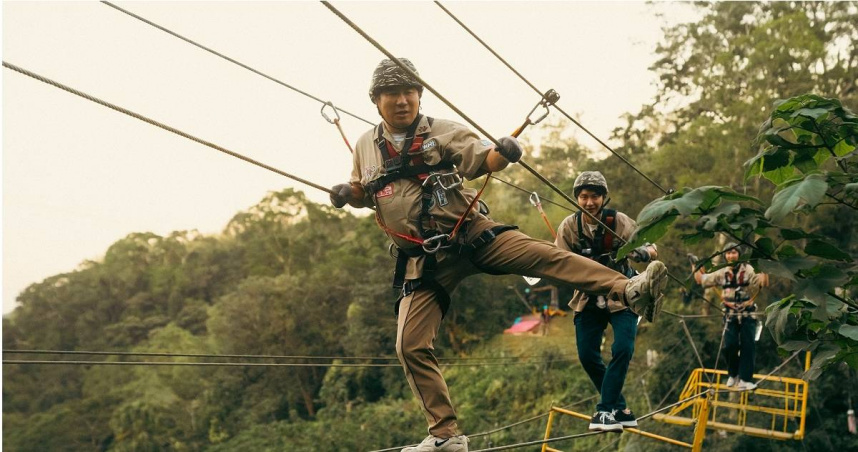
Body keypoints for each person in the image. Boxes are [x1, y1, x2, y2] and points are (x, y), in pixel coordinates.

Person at [329, 58, 669, 452]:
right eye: (393, 94)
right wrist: (346, 194)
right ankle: (445, 436)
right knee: (409, 344)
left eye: (409, 92)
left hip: (470, 234)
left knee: (545, 256)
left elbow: (481, 159)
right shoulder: (364, 146)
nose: (402, 101)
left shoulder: (443, 133)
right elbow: (364, 192)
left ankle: (629, 290)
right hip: (425, 260)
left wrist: (503, 154)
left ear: (420, 95)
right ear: (376, 100)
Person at [554, 171, 659, 432]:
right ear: (577, 198)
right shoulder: (569, 227)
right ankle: (620, 409)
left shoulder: (618, 221)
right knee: (587, 355)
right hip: (588, 297)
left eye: (595, 197)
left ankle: (604, 411)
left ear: (604, 197)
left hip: (622, 293)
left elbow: (651, 247)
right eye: (584, 197)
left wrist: (640, 252)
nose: (590, 202)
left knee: (623, 348)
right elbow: (556, 259)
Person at [693, 242, 764, 391]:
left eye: (734, 253)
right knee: (729, 344)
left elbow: (761, 283)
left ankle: (745, 379)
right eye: (728, 253)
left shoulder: (749, 270)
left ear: (739, 254)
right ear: (725, 256)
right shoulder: (722, 272)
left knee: (748, 345)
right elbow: (702, 280)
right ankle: (733, 374)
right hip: (730, 314)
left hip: (747, 313)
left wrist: (764, 267)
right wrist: (695, 266)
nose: (731, 256)